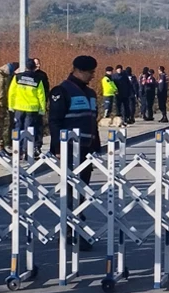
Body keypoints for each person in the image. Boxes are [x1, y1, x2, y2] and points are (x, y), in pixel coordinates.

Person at [48, 55, 101, 250]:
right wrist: (57, 148)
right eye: (90, 72)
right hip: (68, 150)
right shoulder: (62, 91)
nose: (92, 76)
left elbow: (92, 121)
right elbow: (54, 121)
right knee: (71, 193)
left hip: (86, 150)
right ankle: (71, 232)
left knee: (82, 192)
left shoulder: (91, 94)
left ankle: (76, 229)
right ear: (78, 71)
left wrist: (96, 148)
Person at [9, 59, 48, 159]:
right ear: (34, 67)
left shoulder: (17, 77)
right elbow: (41, 96)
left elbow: (12, 93)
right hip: (32, 108)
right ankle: (26, 151)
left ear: (25, 67)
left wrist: (11, 105)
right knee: (29, 130)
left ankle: (17, 150)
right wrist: (42, 109)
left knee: (17, 129)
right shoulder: (38, 79)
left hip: (18, 107)